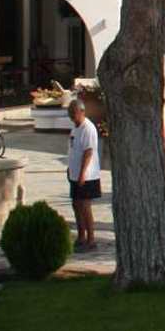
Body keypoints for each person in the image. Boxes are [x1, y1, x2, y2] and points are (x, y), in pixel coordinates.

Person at [66, 99, 101, 252]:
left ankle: (91, 239)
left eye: (73, 113)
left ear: (81, 112)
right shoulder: (75, 128)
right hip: (74, 174)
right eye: (69, 113)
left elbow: (88, 152)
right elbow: (73, 150)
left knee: (85, 206)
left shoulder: (88, 128)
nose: (71, 116)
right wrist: (70, 169)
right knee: (76, 204)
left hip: (87, 175)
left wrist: (82, 174)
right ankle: (81, 236)